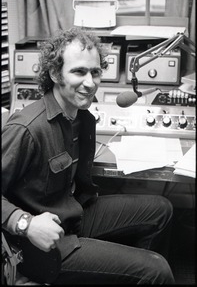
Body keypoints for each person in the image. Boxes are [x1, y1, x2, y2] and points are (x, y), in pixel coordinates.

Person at [2, 27, 175, 285]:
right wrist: (26, 223)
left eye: (95, 72)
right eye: (79, 71)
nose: (90, 82)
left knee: (162, 209)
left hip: (72, 212)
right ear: (54, 73)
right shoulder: (26, 129)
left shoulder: (81, 117)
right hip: (39, 245)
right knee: (156, 269)